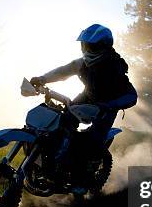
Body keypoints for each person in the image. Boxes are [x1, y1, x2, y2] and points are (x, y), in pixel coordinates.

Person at [30, 24, 137, 191]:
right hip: (86, 97)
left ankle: (82, 180)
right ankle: (54, 162)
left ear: (103, 46)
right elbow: (63, 71)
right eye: (85, 45)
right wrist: (42, 79)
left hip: (106, 107)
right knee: (60, 122)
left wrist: (109, 105)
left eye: (91, 45)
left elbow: (132, 96)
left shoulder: (114, 67)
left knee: (93, 141)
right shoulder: (82, 63)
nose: (86, 49)